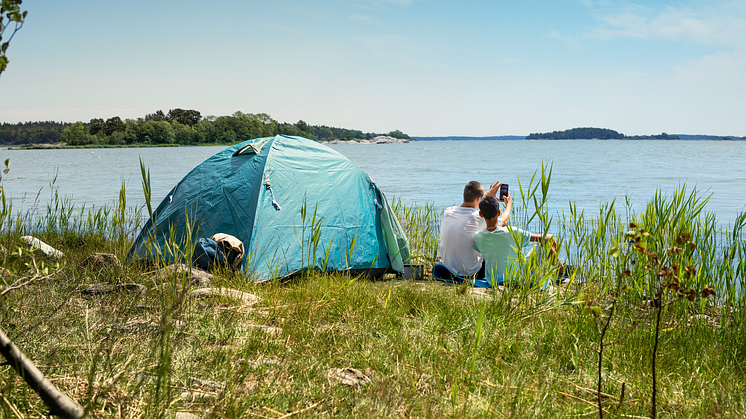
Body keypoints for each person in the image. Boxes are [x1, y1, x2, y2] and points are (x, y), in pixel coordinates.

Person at [473, 195, 561, 286]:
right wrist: (550, 236)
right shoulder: (512, 232)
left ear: (481, 214)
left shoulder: (478, 237)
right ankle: (561, 271)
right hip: (517, 277)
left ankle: (560, 272)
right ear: (498, 213)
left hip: (493, 280)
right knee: (543, 242)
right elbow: (544, 238)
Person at [438, 180, 511, 277]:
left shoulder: (448, 212)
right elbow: (502, 222)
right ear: (478, 199)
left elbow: (470, 206)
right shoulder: (478, 218)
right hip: (470, 273)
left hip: (447, 269)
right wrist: (508, 206)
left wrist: (486, 196)